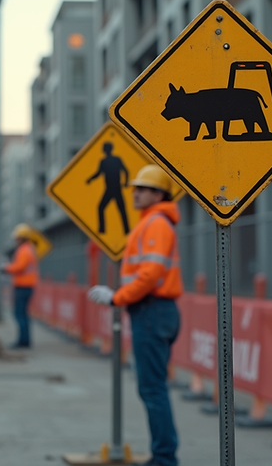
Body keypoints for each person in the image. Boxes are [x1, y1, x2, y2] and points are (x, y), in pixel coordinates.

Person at [88, 165, 182, 466]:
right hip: (153, 311)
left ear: (159, 193)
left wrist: (117, 297)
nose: (136, 192)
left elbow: (150, 274)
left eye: (143, 188)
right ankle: (164, 454)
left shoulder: (155, 224)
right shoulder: (151, 223)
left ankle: (165, 458)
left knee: (153, 389)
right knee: (153, 388)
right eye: (135, 188)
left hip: (152, 310)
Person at [1, 223, 39, 349]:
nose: (15, 240)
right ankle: (25, 340)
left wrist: (6, 268)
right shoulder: (29, 249)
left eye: (17, 237)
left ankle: (23, 341)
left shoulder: (24, 251)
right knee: (23, 314)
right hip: (27, 286)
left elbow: (20, 267)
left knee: (19, 314)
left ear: (22, 238)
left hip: (23, 286)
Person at [86, 141, 130, 235]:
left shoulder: (105, 161)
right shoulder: (113, 160)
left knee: (103, 208)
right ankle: (126, 230)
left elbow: (98, 174)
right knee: (119, 209)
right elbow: (126, 171)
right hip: (115, 188)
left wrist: (90, 179)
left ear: (106, 150)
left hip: (112, 188)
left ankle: (103, 229)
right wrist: (125, 183)